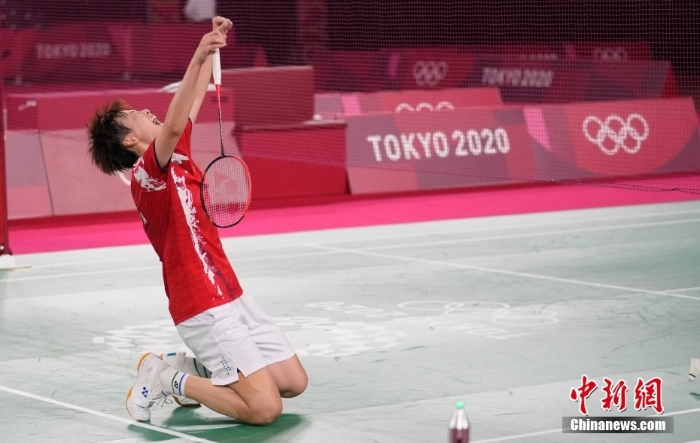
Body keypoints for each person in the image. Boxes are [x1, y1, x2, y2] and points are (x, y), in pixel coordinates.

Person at [86, 16, 307, 425]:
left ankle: (198, 367)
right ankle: (165, 376)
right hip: (199, 303)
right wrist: (198, 54)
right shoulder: (146, 175)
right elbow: (172, 121)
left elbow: (189, 103)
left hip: (228, 289)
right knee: (264, 408)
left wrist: (213, 45)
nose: (146, 111)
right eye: (135, 115)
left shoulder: (179, 150)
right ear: (130, 143)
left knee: (292, 381)